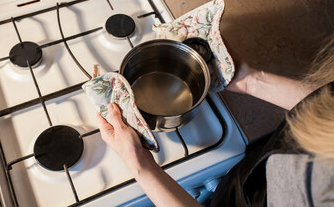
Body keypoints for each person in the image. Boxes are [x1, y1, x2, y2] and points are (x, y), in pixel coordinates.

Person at [96, 35, 334, 206]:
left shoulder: (320, 194)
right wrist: (250, 80)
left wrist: (140, 164)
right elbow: (324, 108)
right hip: (249, 175)